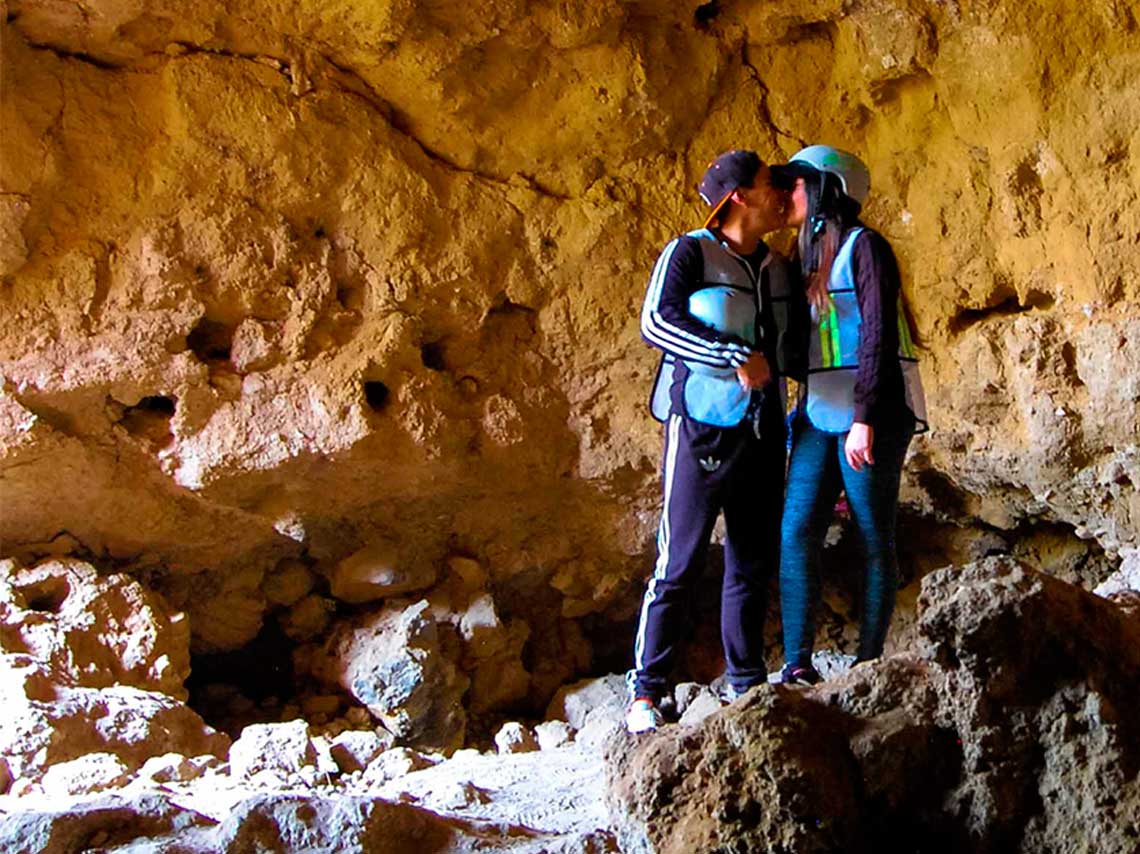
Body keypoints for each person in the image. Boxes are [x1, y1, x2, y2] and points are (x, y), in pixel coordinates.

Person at [627, 149, 795, 733]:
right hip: (699, 426)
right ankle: (647, 693)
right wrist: (731, 356)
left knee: (751, 560)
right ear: (742, 196)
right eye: (771, 183)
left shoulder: (777, 265)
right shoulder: (689, 252)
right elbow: (656, 322)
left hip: (762, 430)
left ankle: (746, 683)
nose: (780, 193)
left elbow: (791, 347)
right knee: (679, 560)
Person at [770, 145, 928, 685]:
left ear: (824, 189)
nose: (785, 194)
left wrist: (864, 419)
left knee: (871, 534)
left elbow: (879, 334)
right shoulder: (803, 255)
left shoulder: (867, 247)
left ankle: (867, 663)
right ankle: (797, 663)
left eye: (794, 183)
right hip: (820, 411)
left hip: (872, 411)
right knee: (795, 530)